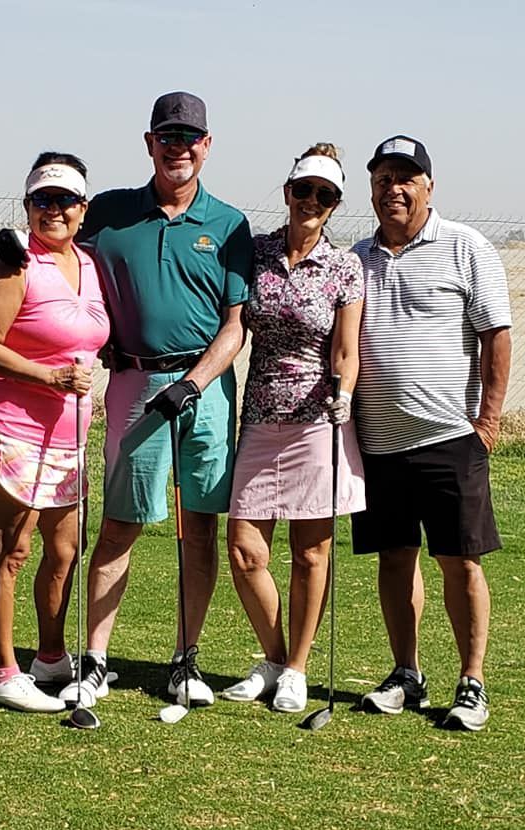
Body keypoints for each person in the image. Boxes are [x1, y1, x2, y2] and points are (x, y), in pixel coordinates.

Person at [47, 92, 253, 709]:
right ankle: (94, 661)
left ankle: (185, 659)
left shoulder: (229, 224)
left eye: (189, 138)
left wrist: (194, 383)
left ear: (207, 146)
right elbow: (57, 250)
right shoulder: (110, 213)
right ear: (149, 143)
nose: (177, 148)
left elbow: (235, 326)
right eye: (167, 137)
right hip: (135, 384)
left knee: (199, 529)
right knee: (120, 525)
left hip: (206, 389)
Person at [351, 135, 512, 732]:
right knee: (394, 560)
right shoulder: (357, 257)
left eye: (405, 178)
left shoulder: (466, 246)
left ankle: (471, 682)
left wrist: (487, 421)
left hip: (449, 438)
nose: (392, 188)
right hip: (378, 443)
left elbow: (496, 335)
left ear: (428, 186)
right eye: (382, 179)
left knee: (459, 562)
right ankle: (406, 674)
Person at [223, 144, 366, 713]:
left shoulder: (344, 267)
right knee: (245, 551)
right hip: (259, 416)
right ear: (287, 192)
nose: (311, 200)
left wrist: (344, 394)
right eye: (303, 189)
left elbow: (346, 349)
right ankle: (275, 658)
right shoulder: (255, 252)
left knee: (310, 554)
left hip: (316, 423)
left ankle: (298, 670)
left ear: (335, 204)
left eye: (324, 195)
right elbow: (234, 323)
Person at [0, 152, 110, 712]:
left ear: (83, 208)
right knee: (11, 550)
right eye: (42, 199)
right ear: (27, 206)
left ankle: (50, 656)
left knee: (65, 548)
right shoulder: (15, 265)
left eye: (65, 199)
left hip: (69, 436)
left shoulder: (90, 265)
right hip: (12, 427)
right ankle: (3, 672)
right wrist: (50, 377)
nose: (54, 209)